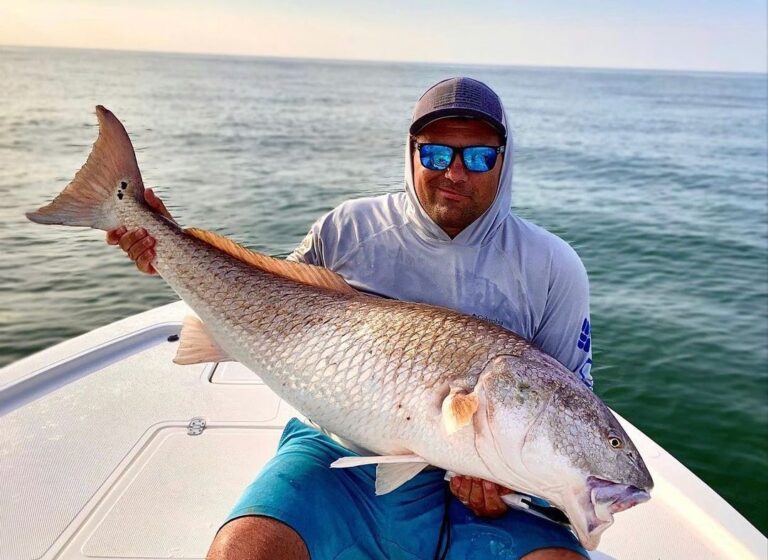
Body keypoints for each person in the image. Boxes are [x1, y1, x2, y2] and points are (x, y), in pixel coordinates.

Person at [107, 77, 593, 560]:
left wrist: (514, 483)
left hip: (497, 479)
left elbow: (568, 407)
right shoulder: (346, 230)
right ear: (411, 152)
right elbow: (262, 294)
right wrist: (165, 244)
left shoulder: (554, 266)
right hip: (339, 449)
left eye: (479, 156)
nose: (456, 173)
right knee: (245, 552)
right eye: (437, 155)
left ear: (504, 162)